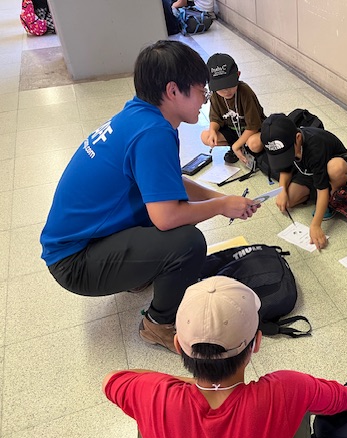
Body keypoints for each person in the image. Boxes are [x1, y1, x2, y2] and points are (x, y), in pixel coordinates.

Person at [40, 40, 258, 354]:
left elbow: (169, 184)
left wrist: (220, 199)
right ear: (173, 91)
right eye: (202, 91)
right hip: (75, 262)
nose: (204, 100)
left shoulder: (139, 115)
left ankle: (138, 272)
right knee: (188, 242)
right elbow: (166, 217)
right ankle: (158, 325)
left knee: (167, 206)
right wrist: (221, 206)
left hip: (82, 242)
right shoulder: (153, 134)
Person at [103, 276, 347, 438]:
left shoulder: (153, 393)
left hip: (166, 393)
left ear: (178, 345)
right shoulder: (288, 389)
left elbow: (111, 380)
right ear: (256, 343)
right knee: (301, 411)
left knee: (145, 415)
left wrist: (182, 383)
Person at [260, 113, 347, 250]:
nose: (286, 157)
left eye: (288, 153)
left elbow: (322, 189)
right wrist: (282, 190)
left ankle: (333, 198)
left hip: (334, 165)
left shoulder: (315, 146)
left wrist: (315, 225)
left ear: (298, 138)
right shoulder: (288, 143)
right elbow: (285, 169)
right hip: (308, 171)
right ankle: (319, 196)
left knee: (335, 169)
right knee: (288, 201)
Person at [200, 53, 266, 166]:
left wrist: (236, 146)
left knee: (254, 144)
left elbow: (253, 126)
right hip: (233, 131)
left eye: (230, 85)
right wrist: (213, 131)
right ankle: (241, 146)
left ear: (238, 75)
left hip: (251, 131)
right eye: (221, 88)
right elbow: (215, 119)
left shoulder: (245, 92)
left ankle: (242, 147)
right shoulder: (215, 95)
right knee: (205, 136)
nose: (226, 91)